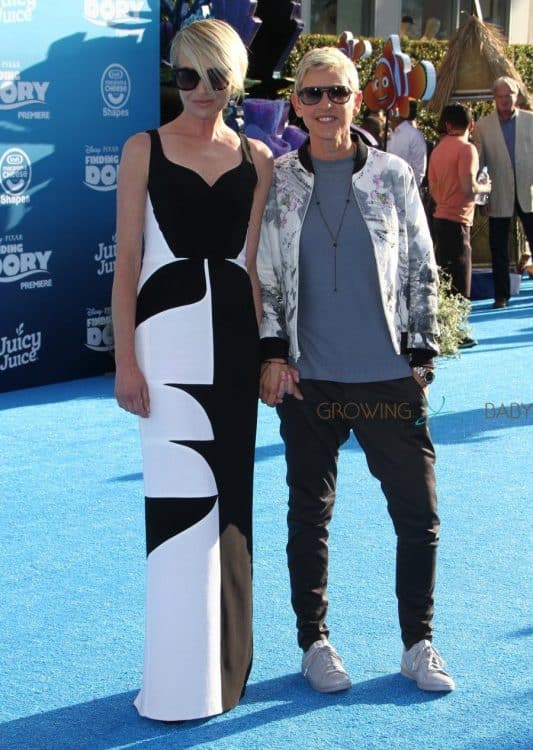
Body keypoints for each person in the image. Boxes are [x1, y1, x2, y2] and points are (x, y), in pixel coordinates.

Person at [257, 46, 455, 695]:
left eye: (336, 92)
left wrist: (420, 356)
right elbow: (265, 274)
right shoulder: (279, 178)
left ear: (356, 98)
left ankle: (417, 642)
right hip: (310, 382)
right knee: (308, 516)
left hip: (386, 377)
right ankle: (313, 642)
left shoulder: (394, 175)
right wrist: (271, 354)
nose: (323, 106)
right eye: (310, 94)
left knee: (416, 516)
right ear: (294, 102)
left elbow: (421, 264)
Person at [111, 18, 272, 722]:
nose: (201, 91)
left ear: (234, 81)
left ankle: (225, 670)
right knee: (179, 505)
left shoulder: (258, 159)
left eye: (216, 77)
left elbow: (256, 270)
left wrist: (271, 353)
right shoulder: (142, 149)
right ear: (172, 77)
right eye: (187, 76)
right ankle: (177, 682)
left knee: (231, 503)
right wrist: (125, 362)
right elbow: (124, 264)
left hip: (235, 340)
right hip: (166, 344)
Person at [428, 103, 491, 348]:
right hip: (458, 220)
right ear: (471, 125)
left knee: (444, 275)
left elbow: (433, 188)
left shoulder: (438, 149)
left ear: (447, 124)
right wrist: (485, 187)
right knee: (460, 279)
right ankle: (458, 331)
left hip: (440, 217)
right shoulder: (467, 149)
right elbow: (469, 188)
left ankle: (445, 328)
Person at [472, 76, 533, 308]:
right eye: (501, 96)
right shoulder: (483, 126)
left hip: (529, 193)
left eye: (509, 95)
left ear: (516, 97)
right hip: (499, 194)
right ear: (494, 99)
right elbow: (479, 166)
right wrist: (482, 198)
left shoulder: (530, 121)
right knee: (498, 247)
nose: (505, 100)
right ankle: (501, 296)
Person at [387, 100, 427, 189]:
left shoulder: (414, 135)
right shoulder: (384, 131)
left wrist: (410, 193)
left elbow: (419, 169)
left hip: (403, 190)